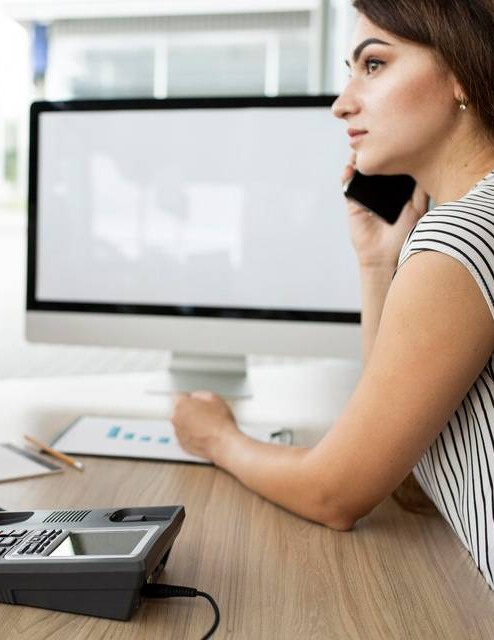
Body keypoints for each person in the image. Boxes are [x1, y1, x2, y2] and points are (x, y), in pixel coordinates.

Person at [172, 0, 494, 589]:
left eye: (373, 66)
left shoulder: (459, 239)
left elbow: (335, 493)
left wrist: (216, 437)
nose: (342, 102)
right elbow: (405, 475)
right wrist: (378, 262)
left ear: (461, 73)